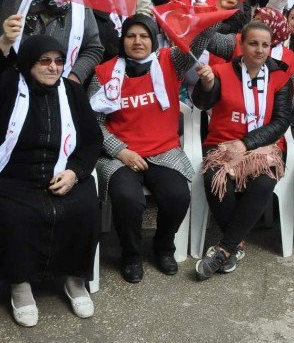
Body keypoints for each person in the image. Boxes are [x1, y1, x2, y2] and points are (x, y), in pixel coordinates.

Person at [0, 25, 103, 326]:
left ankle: (75, 280)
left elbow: (92, 139)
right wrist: (5, 42)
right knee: (14, 214)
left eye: (58, 61)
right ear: (29, 61)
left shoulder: (71, 90)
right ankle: (20, 284)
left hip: (61, 170)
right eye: (44, 60)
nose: (53, 67)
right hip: (13, 174)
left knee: (84, 206)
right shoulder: (7, 85)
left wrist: (75, 172)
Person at [87, 15, 207, 283]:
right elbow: (93, 124)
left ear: (153, 39)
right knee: (128, 199)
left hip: (163, 151)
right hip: (120, 155)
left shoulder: (169, 62)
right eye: (131, 36)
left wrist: (213, 14)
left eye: (144, 36)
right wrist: (120, 150)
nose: (137, 41)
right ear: (123, 40)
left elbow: (198, 42)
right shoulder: (103, 73)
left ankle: (163, 247)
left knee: (177, 196)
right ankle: (130, 255)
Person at [190, 21, 293, 280]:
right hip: (222, 143)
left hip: (263, 147)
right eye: (253, 43)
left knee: (263, 183)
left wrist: (247, 144)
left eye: (265, 45)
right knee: (216, 179)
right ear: (242, 44)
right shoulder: (221, 72)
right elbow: (202, 104)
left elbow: (281, 122)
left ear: (272, 47)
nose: (259, 50)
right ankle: (236, 245)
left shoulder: (280, 76)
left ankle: (224, 249)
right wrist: (206, 86)